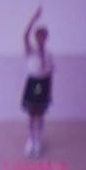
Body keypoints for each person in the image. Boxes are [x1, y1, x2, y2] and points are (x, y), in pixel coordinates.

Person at [23, 10, 58, 160]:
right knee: (32, 113)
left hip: (44, 84)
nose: (41, 38)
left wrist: (50, 92)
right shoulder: (31, 51)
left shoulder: (49, 55)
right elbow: (25, 35)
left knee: (41, 113)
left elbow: (50, 74)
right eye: (39, 36)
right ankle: (30, 140)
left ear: (46, 38)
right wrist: (34, 18)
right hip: (35, 83)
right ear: (36, 38)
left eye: (44, 36)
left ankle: (38, 140)